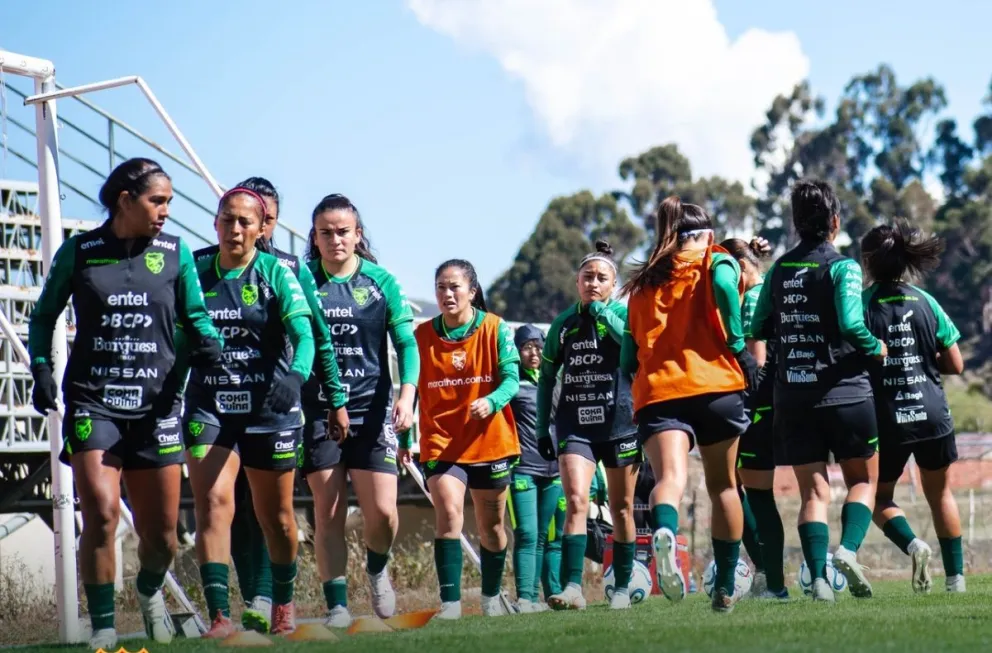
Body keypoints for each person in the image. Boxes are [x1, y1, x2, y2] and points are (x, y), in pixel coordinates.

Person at [27, 158, 224, 650]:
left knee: (162, 538)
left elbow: (196, 316)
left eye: (170, 203)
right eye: (157, 201)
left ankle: (150, 590)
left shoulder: (175, 254)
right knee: (102, 512)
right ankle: (103, 628)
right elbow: (42, 316)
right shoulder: (81, 252)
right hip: (95, 403)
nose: (165, 212)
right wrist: (42, 370)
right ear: (125, 200)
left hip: (157, 407)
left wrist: (208, 342)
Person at [180, 186, 317, 637]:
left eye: (245, 222)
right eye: (227, 219)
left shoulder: (277, 271)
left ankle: (282, 603)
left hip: (268, 408)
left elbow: (305, 333)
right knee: (213, 505)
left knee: (275, 517)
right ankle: (218, 616)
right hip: (211, 405)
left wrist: (295, 377)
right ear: (215, 223)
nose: (234, 229)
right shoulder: (195, 270)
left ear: (262, 230)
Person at [219, 177, 349, 634]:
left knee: (271, 509)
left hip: (284, 406)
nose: (262, 227)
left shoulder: (291, 269)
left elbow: (320, 340)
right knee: (228, 503)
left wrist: (333, 397)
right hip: (223, 407)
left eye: (269, 219)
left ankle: (275, 596)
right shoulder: (211, 266)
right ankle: (250, 595)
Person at [750, 179, 886, 602]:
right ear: (835, 222)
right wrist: (874, 346)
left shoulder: (778, 271)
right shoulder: (843, 267)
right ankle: (845, 551)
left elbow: (756, 326)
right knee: (863, 480)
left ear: (795, 223)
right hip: (846, 393)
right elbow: (850, 323)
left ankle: (819, 583)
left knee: (814, 492)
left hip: (793, 396)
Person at [621, 196, 757, 613]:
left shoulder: (643, 282)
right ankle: (725, 587)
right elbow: (724, 293)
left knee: (671, 481)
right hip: (716, 386)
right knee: (723, 487)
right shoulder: (716, 262)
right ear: (707, 233)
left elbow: (628, 357)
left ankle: (664, 531)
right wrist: (740, 349)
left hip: (660, 393)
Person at [299, 194, 418, 627]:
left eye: (343, 231)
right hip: (319, 413)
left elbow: (406, 344)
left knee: (383, 514)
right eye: (325, 232)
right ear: (314, 237)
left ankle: (376, 567)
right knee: (327, 511)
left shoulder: (381, 282)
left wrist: (406, 397)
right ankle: (337, 606)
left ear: (358, 234)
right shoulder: (301, 280)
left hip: (372, 412)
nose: (335, 240)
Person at [402, 259, 520, 619]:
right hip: (441, 441)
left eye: (455, 287)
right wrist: (407, 436)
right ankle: (450, 605)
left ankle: (490, 597)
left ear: (472, 291)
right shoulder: (420, 337)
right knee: (449, 513)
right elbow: (412, 390)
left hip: (490, 442)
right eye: (441, 287)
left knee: (492, 527)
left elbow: (513, 379)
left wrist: (492, 401)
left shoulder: (496, 329)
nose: (447, 294)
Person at [532, 241, 639, 611]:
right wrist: (542, 430)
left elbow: (630, 348)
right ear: (577, 281)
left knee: (622, 507)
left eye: (602, 278)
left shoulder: (624, 316)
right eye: (587, 277)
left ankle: (622, 587)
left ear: (614, 285)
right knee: (577, 501)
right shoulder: (563, 325)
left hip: (621, 424)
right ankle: (573, 587)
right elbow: (546, 378)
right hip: (575, 425)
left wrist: (601, 314)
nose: (593, 283)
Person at [861, 223, 966, 593]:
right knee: (940, 495)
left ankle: (913, 545)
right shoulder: (926, 301)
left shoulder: (862, 305)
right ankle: (957, 581)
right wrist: (922, 357)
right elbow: (956, 364)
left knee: (876, 498)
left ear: (869, 262)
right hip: (933, 413)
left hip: (888, 419)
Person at [723, 237, 788, 600]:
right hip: (767, 403)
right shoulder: (764, 288)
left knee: (750, 493)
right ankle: (768, 574)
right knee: (736, 487)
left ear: (743, 269)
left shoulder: (751, 297)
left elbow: (757, 361)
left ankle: (770, 578)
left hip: (754, 406)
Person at [507, 324, 564, 612]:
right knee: (527, 534)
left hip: (555, 471)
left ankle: (552, 596)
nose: (534, 352)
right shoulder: (511, 383)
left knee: (548, 536)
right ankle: (525, 599)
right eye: (527, 347)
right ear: (517, 351)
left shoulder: (554, 381)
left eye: (538, 346)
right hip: (522, 469)